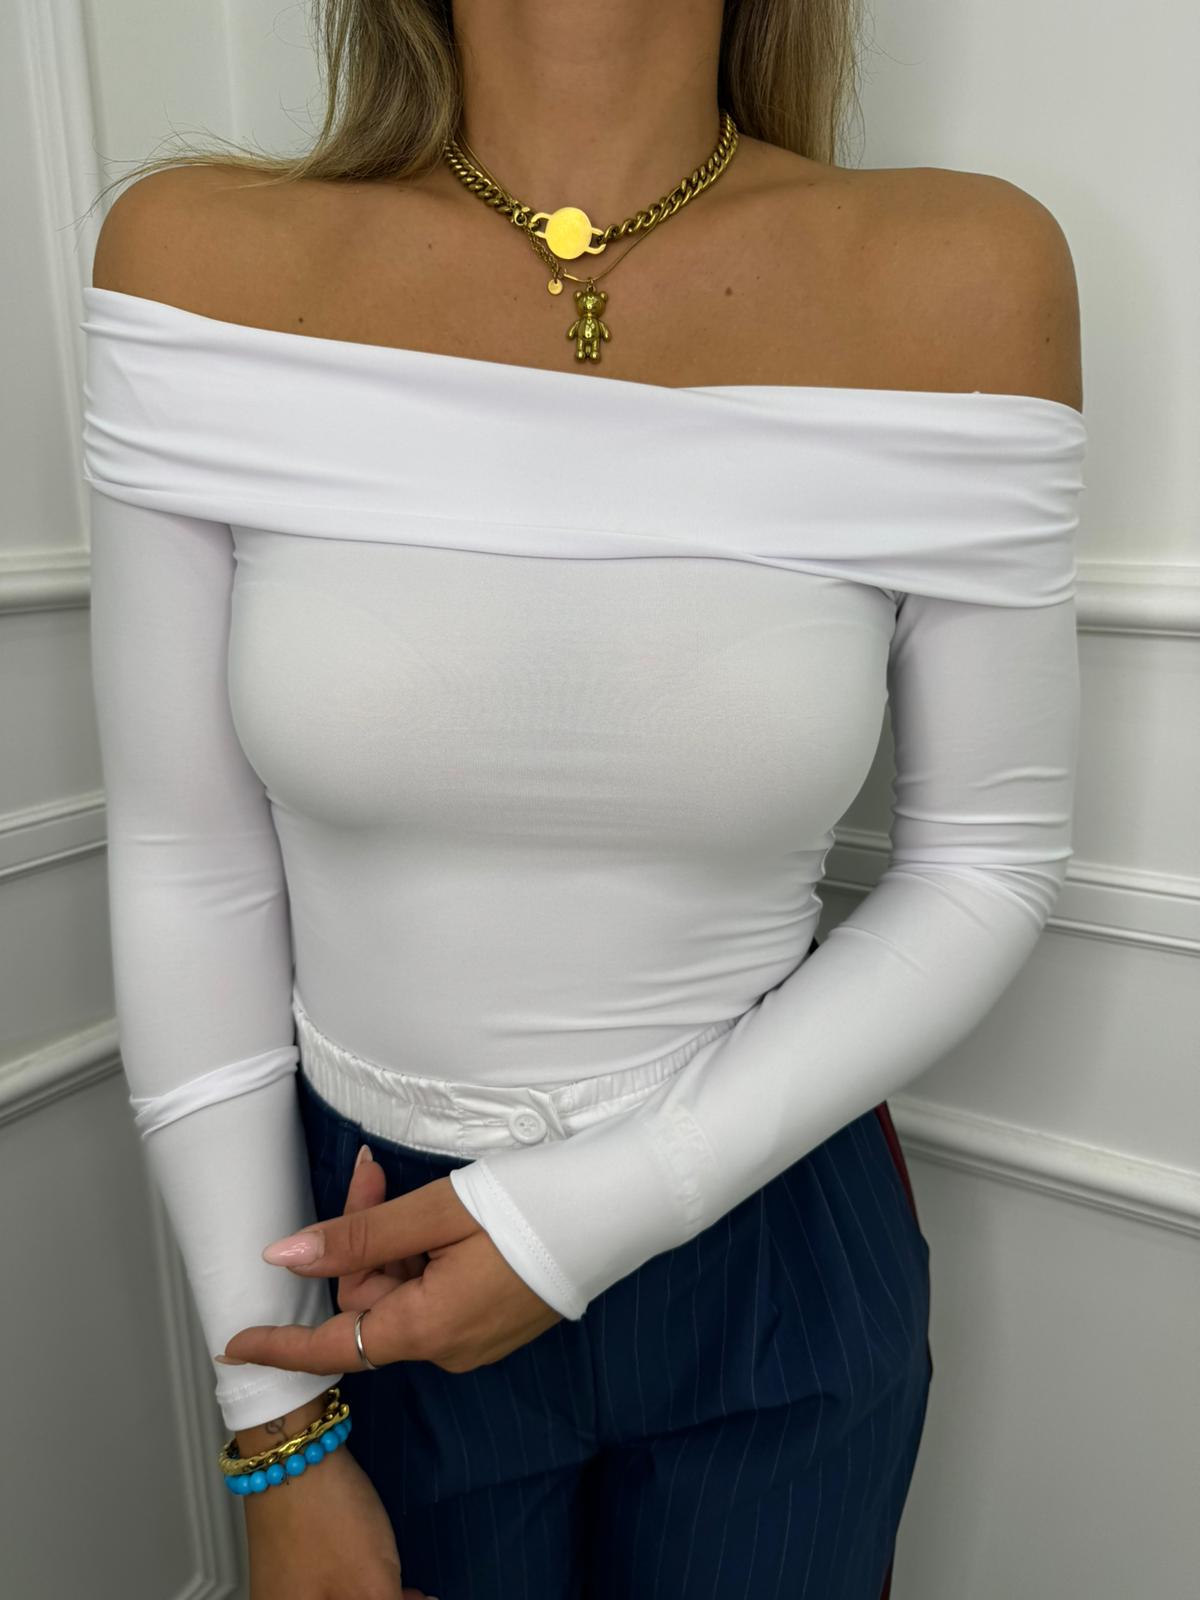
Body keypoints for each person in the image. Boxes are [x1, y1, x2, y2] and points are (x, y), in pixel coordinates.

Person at [79, 1, 1085, 1596]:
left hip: (771, 1235)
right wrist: (275, 1425)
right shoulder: (199, 261)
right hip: (361, 1250)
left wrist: (583, 1223)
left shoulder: (964, 274)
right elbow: (185, 862)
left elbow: (990, 857)